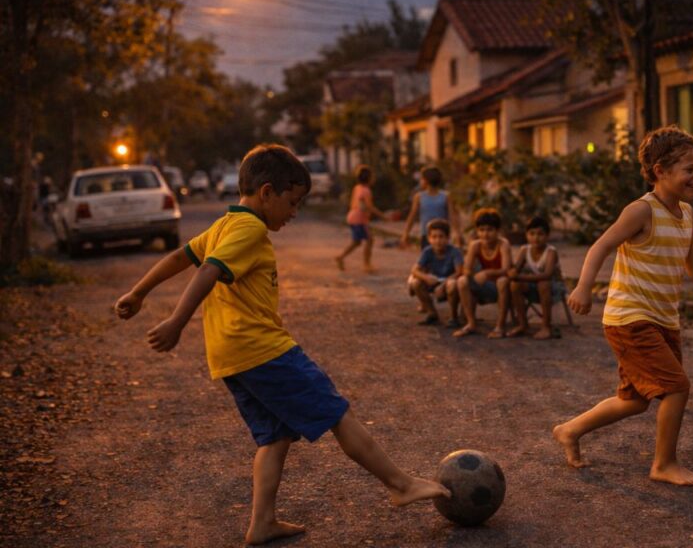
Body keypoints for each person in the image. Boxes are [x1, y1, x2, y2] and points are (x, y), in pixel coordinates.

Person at [113, 145, 447, 546]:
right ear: (266, 192)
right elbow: (206, 270)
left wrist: (139, 292)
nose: (294, 212)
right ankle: (400, 483)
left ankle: (262, 522)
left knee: (274, 436)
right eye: (292, 202)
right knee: (336, 411)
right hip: (262, 349)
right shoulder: (249, 228)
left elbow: (178, 257)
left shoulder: (223, 225)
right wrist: (176, 322)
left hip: (230, 356)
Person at [555, 126, 693, 486]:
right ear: (660, 171)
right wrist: (584, 287)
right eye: (689, 169)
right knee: (676, 387)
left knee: (635, 400)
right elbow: (600, 246)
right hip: (630, 318)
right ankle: (664, 464)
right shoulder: (641, 211)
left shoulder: (685, 215)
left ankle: (570, 430)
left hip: (664, 319)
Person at [453, 208, 512, 339]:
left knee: (502, 281)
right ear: (477, 231)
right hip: (484, 285)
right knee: (462, 281)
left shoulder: (503, 244)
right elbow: (466, 269)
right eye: (482, 230)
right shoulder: (475, 245)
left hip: (501, 287)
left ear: (497, 230)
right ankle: (471, 323)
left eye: (490, 230)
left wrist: (487, 273)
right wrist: (471, 274)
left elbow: (506, 270)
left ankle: (500, 326)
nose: (485, 234)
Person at [507, 216, 564, 340]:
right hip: (535, 286)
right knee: (514, 285)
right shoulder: (524, 250)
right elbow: (516, 270)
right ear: (526, 235)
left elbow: (547, 275)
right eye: (532, 234)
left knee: (543, 283)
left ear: (547, 236)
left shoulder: (551, 252)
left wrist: (519, 276)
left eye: (540, 234)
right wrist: (512, 272)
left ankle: (546, 327)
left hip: (553, 288)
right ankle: (523, 324)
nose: (536, 238)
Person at [409, 218, 464, 327]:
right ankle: (432, 313)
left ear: (448, 238)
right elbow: (414, 269)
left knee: (452, 285)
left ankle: (454, 317)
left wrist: (443, 286)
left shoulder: (454, 251)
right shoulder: (428, 251)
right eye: (434, 237)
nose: (437, 240)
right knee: (416, 283)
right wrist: (426, 277)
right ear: (429, 238)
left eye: (441, 237)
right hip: (434, 280)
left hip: (450, 281)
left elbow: (459, 272)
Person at [336, 165, 386, 273]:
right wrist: (383, 216)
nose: (374, 178)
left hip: (352, 216)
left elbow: (355, 203)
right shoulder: (366, 190)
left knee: (357, 242)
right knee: (369, 240)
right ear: (368, 178)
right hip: (359, 219)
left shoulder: (357, 187)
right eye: (372, 176)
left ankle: (341, 257)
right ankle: (366, 265)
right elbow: (369, 206)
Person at [401, 166, 462, 249]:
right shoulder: (419, 197)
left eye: (421, 179)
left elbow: (452, 216)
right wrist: (406, 234)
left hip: (443, 235)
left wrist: (457, 234)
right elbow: (412, 217)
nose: (420, 181)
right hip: (426, 235)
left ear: (426, 181)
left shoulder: (446, 196)